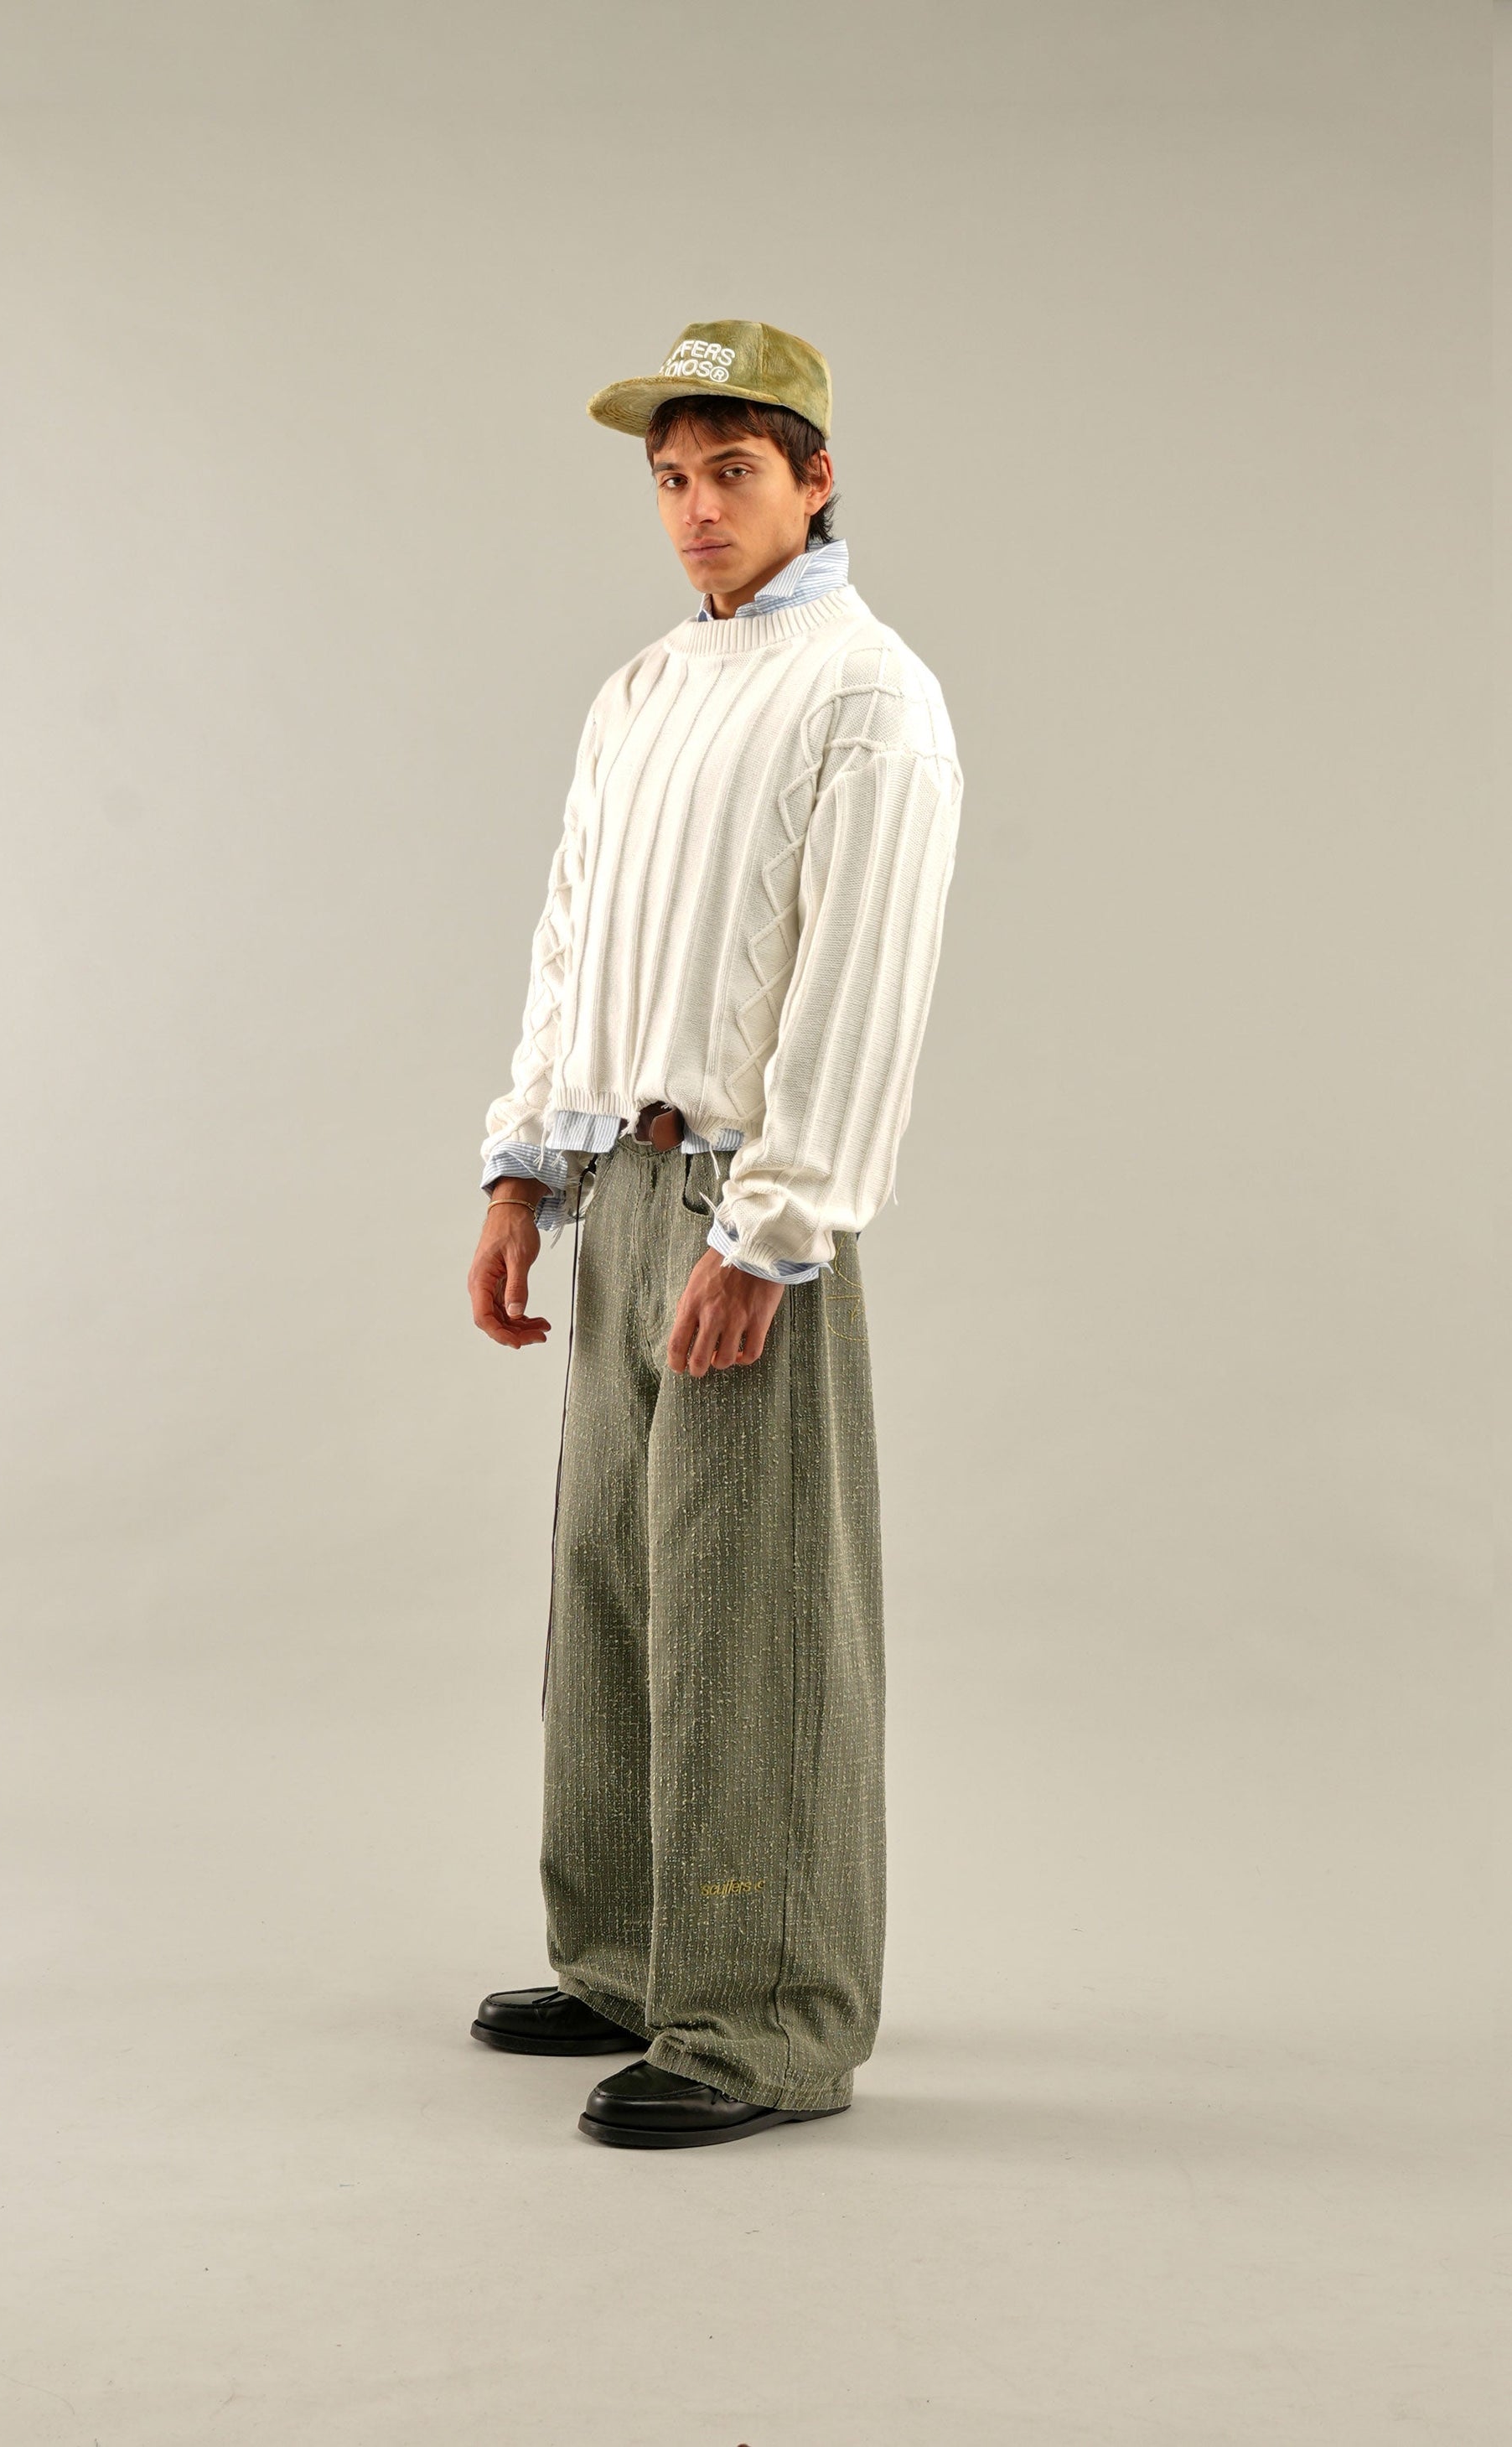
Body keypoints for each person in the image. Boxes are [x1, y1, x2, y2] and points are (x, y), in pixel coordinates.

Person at [465, 319, 962, 2149]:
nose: (694, 508)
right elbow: (572, 937)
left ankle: (763, 2020)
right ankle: (627, 1957)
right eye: (671, 477)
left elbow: (859, 984)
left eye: (732, 472)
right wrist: (523, 1170)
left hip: (745, 1198)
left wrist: (775, 1232)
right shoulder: (643, 690)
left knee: (750, 1609)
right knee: (613, 1584)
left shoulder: (867, 693)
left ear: (816, 478)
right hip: (620, 1181)